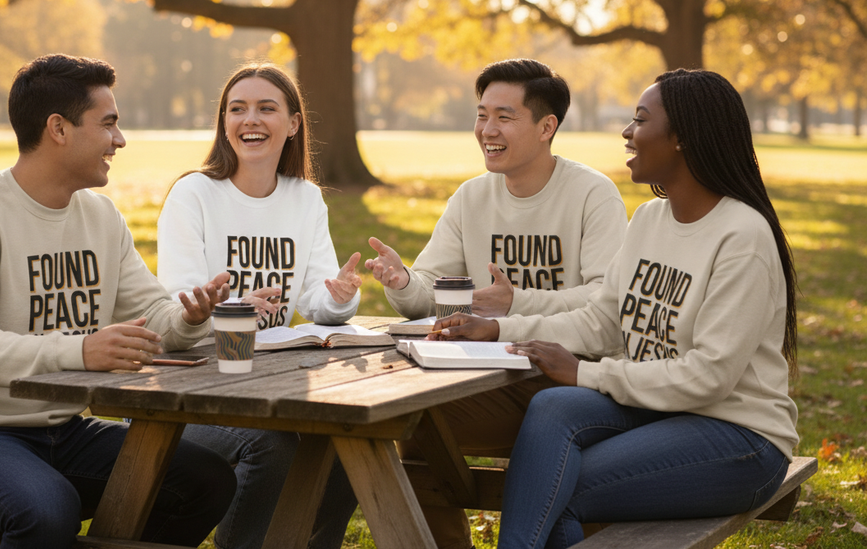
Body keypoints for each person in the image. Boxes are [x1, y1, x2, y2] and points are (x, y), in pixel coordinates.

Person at [434, 69, 799, 549]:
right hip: (658, 409)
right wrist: (499, 329)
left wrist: (586, 374)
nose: (627, 132)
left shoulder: (742, 237)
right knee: (551, 406)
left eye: (641, 120)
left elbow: (710, 376)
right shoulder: (649, 219)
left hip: (737, 434)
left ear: (683, 138)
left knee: (558, 489)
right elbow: (603, 321)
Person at [0, 54, 237, 549]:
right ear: (58, 129)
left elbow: (152, 315)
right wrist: (80, 350)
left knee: (205, 480)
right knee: (48, 510)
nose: (119, 140)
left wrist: (190, 317)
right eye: (108, 124)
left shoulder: (101, 217)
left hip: (65, 430)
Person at [364, 58, 628, 549]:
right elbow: (434, 290)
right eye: (482, 115)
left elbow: (605, 300)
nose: (487, 129)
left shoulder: (593, 194)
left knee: (429, 427)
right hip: (489, 375)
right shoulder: (471, 198)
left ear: (547, 127)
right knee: (416, 424)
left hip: (571, 381)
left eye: (505, 117)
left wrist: (516, 302)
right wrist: (403, 282)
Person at [156, 63, 363, 549]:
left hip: (268, 380)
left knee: (351, 443)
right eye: (238, 109)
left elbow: (317, 302)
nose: (250, 119)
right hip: (193, 386)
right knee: (272, 446)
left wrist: (340, 296)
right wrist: (233, 309)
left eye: (266, 108)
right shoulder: (194, 194)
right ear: (224, 123)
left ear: (293, 124)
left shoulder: (305, 198)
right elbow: (180, 307)